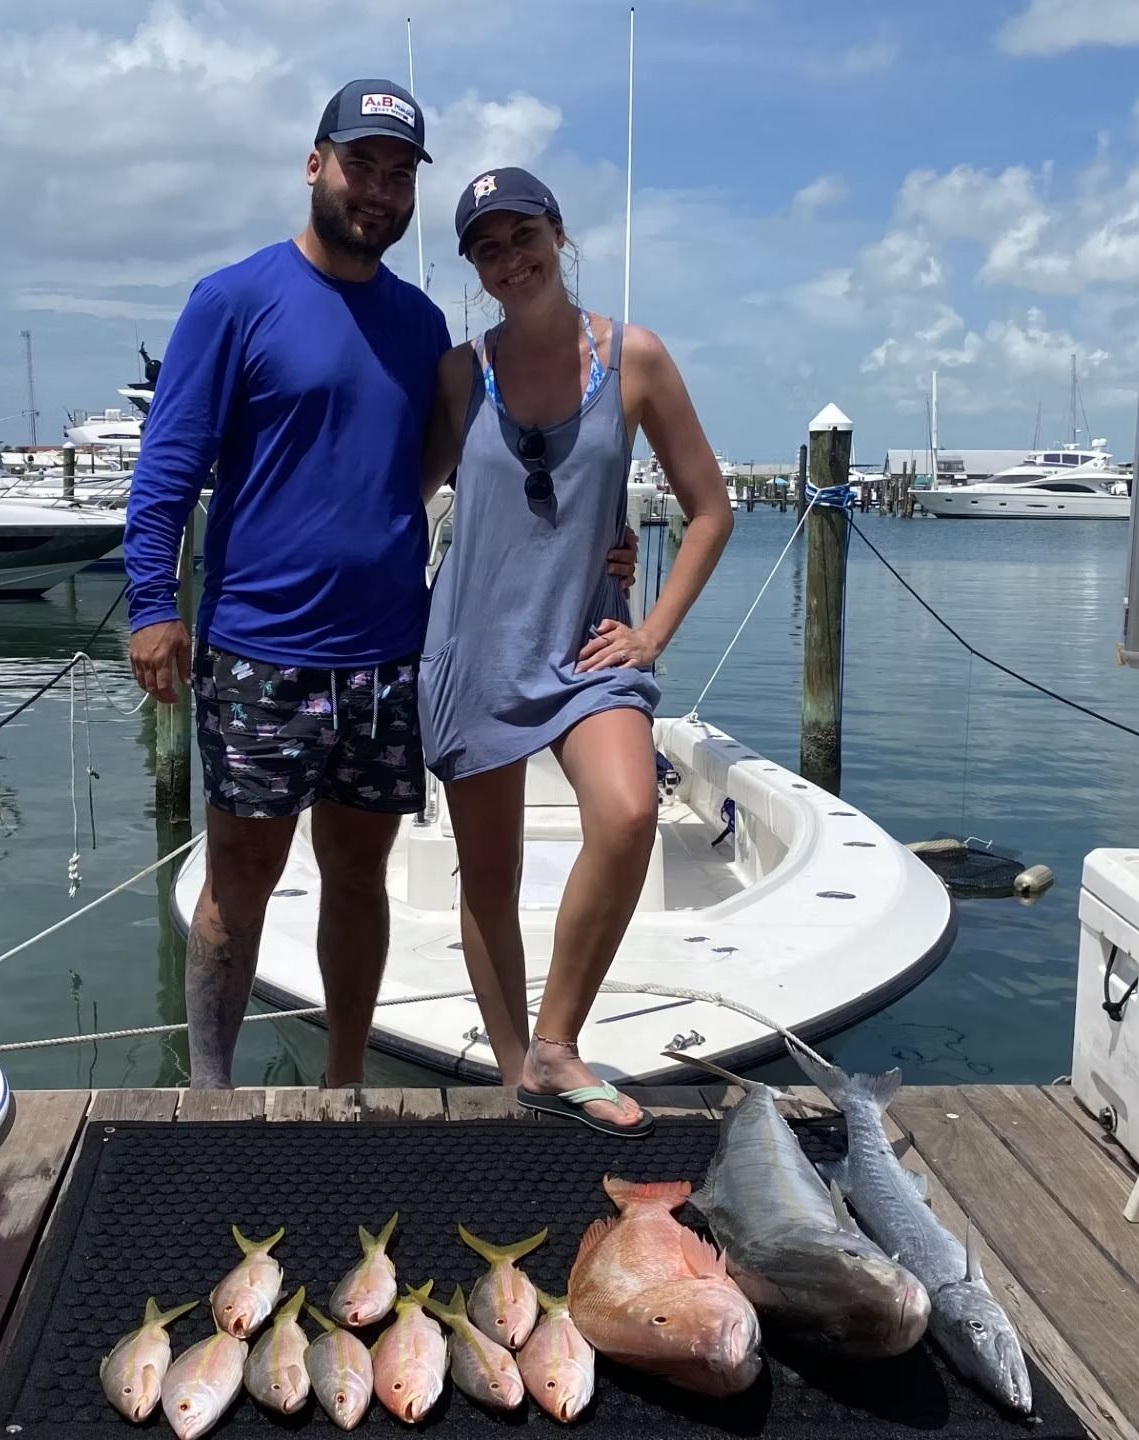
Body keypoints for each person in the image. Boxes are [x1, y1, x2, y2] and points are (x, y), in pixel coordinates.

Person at [122, 83, 637, 1090]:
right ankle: (211, 1090)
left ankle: (344, 1082)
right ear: (316, 165)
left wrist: (599, 539)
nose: (379, 191)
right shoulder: (234, 300)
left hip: (389, 655)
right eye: (362, 166)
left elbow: (497, 463)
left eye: (401, 175)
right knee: (240, 882)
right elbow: (167, 468)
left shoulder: (420, 331)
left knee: (359, 877)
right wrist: (152, 605)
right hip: (259, 648)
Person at [417, 167, 732, 1135]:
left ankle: (558, 1043)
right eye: (487, 247)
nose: (510, 260)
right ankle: (522, 1078)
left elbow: (711, 509)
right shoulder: (461, 373)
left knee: (630, 814)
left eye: (524, 236)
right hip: (472, 648)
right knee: (489, 876)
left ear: (560, 235)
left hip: (589, 649)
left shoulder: (633, 359)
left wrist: (651, 630)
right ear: (474, 267)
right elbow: (399, 494)